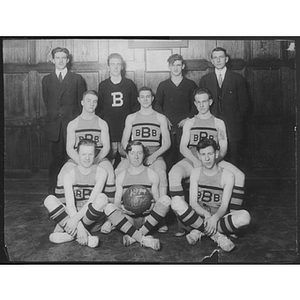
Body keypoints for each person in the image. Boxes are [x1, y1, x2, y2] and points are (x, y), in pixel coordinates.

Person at [169, 88, 246, 236]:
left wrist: (212, 162)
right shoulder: (189, 123)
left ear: (210, 102)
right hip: (193, 159)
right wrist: (195, 161)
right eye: (198, 102)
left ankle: (232, 220)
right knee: (173, 173)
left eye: (204, 101)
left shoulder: (219, 123)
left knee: (240, 176)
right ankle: (184, 223)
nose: (201, 105)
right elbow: (183, 147)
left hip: (214, 159)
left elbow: (223, 148)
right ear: (195, 103)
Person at [171, 138, 251, 252]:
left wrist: (214, 218)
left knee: (245, 217)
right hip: (200, 216)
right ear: (198, 155)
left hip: (218, 219)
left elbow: (224, 206)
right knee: (175, 201)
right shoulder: (195, 172)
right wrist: (206, 214)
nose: (207, 158)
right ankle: (218, 236)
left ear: (216, 153)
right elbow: (193, 203)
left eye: (210, 154)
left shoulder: (228, 175)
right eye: (203, 154)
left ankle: (200, 231)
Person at [55, 90, 115, 234]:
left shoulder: (102, 123)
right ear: (82, 102)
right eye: (88, 100)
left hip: (98, 157)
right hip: (78, 157)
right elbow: (69, 148)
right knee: (61, 175)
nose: (91, 104)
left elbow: (106, 146)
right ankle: (65, 216)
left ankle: (109, 217)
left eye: (94, 101)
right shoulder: (73, 123)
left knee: (110, 174)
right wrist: (81, 162)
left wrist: (96, 161)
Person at [104, 141, 171, 250]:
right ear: (127, 155)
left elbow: (158, 200)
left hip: (147, 219)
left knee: (166, 200)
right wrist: (123, 208)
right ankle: (144, 239)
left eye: (139, 153)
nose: (136, 157)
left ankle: (134, 237)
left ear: (144, 155)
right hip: (129, 218)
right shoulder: (121, 176)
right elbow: (116, 203)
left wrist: (151, 207)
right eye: (132, 153)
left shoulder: (152, 174)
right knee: (108, 207)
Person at [44, 139, 109, 248]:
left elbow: (91, 201)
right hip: (72, 217)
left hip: (91, 220)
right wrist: (79, 226)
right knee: (49, 199)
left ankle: (69, 235)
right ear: (78, 154)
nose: (87, 158)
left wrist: (74, 221)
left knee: (102, 198)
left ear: (95, 155)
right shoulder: (69, 175)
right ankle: (85, 237)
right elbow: (70, 205)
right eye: (83, 154)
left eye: (90, 154)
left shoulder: (101, 172)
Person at [42, 47, 86, 195]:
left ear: (68, 60)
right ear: (53, 60)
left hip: (72, 127)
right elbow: (48, 102)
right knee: (54, 161)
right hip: (54, 128)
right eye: (58, 58)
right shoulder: (47, 80)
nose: (60, 61)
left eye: (63, 58)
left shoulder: (77, 79)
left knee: (72, 161)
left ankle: (73, 193)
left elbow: (81, 105)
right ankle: (52, 193)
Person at [116, 86, 171, 197]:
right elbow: (124, 141)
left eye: (148, 97)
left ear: (152, 98)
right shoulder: (131, 117)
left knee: (161, 172)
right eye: (142, 97)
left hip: (154, 153)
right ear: (138, 99)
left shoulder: (160, 117)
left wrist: (153, 156)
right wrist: (132, 155)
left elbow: (167, 143)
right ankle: (121, 203)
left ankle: (162, 205)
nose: (145, 99)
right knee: (119, 170)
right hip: (135, 153)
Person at [199, 47, 249, 167]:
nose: (218, 60)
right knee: (211, 157)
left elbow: (244, 104)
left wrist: (235, 118)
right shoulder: (205, 79)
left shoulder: (237, 78)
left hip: (233, 125)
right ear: (212, 60)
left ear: (226, 59)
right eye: (215, 57)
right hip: (212, 124)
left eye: (221, 57)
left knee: (234, 159)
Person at [154, 54, 198, 170]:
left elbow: (196, 104)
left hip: (185, 125)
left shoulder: (190, 84)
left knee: (183, 155)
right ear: (169, 67)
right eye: (173, 65)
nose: (176, 68)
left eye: (178, 65)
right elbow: (157, 104)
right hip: (168, 125)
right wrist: (164, 119)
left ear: (183, 66)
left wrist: (188, 119)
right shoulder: (163, 85)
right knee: (168, 155)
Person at [96, 53, 139, 166]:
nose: (115, 67)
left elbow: (135, 107)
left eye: (118, 64)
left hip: (126, 129)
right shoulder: (103, 85)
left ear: (122, 67)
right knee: (109, 160)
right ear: (108, 67)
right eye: (112, 64)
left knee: (128, 160)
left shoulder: (129, 84)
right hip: (109, 128)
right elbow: (99, 108)